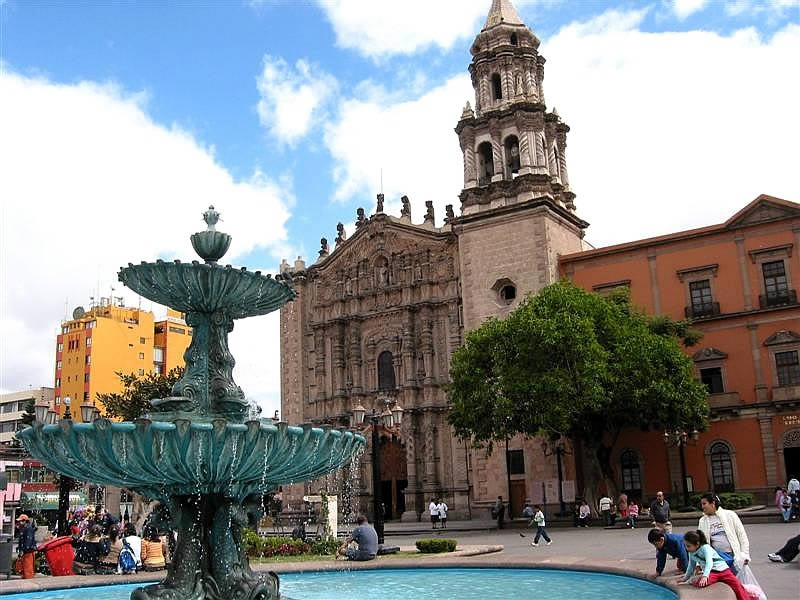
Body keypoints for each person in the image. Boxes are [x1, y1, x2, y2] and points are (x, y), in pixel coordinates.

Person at [676, 530, 749, 600]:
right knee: (701, 583)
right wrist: (685, 578)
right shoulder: (691, 553)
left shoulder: (705, 548)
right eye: (685, 546)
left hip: (723, 570)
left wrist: (705, 576)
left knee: (737, 585)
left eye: (688, 546)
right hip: (712, 573)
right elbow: (691, 566)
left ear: (697, 544)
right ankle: (697, 579)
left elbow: (709, 562)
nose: (686, 548)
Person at [698, 492, 750, 571]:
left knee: (737, 581)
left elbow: (742, 536)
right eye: (701, 504)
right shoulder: (703, 521)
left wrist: (745, 555)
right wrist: (699, 563)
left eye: (704, 503)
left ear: (713, 503)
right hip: (716, 559)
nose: (702, 507)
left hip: (734, 556)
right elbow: (700, 543)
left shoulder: (730, 515)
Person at [15, 514, 37, 579]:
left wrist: (23, 550)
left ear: (25, 521)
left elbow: (28, 541)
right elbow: (23, 541)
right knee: (24, 569)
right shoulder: (23, 528)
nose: (19, 522)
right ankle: (26, 580)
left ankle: (29, 582)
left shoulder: (28, 529)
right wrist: (20, 549)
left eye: (20, 521)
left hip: (28, 552)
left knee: (28, 570)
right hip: (26, 552)